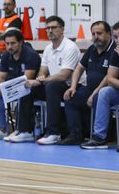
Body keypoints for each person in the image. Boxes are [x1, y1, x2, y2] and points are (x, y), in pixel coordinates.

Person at [0, 30, 41, 141]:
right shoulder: (6, 55)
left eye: (13, 43)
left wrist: (4, 90)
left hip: (31, 87)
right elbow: (1, 77)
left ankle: (22, 130)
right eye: (7, 43)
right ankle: (1, 130)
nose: (9, 47)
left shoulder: (31, 55)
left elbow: (27, 80)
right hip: (13, 86)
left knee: (22, 93)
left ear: (21, 42)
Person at [25, 16, 81, 145]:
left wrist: (42, 80)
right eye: (48, 28)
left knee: (52, 86)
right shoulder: (48, 48)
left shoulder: (70, 47)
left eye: (54, 27)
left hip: (72, 86)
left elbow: (64, 76)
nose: (50, 30)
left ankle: (53, 132)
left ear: (62, 29)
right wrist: (39, 79)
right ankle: (25, 131)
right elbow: (43, 70)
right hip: (54, 85)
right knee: (28, 87)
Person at [62, 21, 113, 145]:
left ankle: (99, 137)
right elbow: (79, 68)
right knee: (70, 98)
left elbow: (109, 76)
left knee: (98, 98)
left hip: (107, 90)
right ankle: (75, 135)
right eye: (93, 34)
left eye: (99, 33)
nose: (96, 36)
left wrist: (94, 93)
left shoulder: (114, 50)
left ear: (108, 34)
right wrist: (73, 87)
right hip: (90, 88)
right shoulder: (92, 49)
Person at [81, 22, 119, 152]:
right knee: (105, 92)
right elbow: (110, 78)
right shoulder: (116, 51)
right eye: (116, 37)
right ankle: (99, 138)